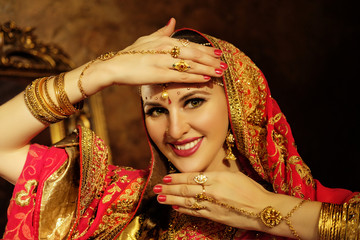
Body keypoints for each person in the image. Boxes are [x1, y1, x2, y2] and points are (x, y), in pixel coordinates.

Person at [0, 18, 358, 240]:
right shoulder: (119, 205)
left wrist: (267, 211)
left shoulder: (324, 210)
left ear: (241, 102)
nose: (174, 129)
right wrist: (101, 71)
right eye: (156, 109)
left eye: (194, 101)